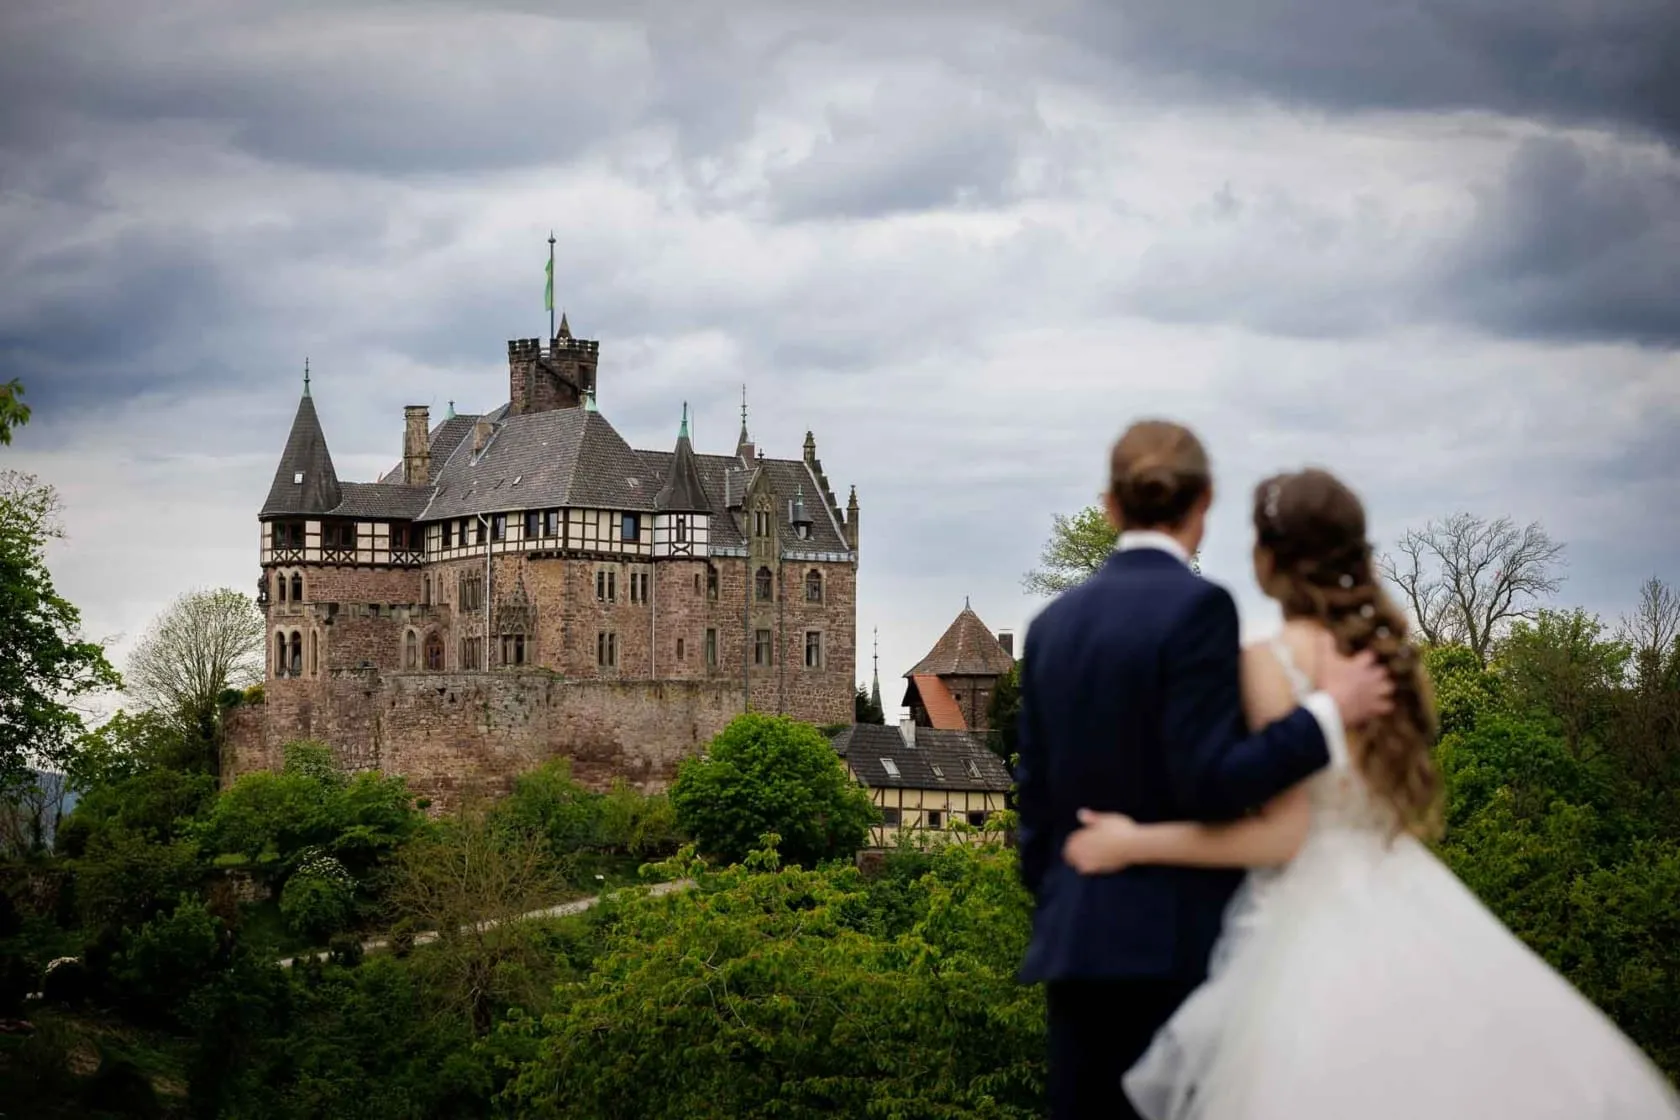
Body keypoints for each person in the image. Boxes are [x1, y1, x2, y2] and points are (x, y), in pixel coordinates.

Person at [1064, 467, 1680, 1120]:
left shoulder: (1268, 664)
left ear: (1270, 558)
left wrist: (1135, 841)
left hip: (1305, 930)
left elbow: (1283, 834)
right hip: (1412, 903)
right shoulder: (1387, 656)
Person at [1014, 421, 1396, 1120]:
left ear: (1110, 505)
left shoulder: (1051, 625)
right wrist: (1326, 717)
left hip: (1074, 947)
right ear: (1205, 503)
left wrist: (1067, 896)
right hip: (1174, 948)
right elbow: (1211, 784)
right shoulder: (1199, 608)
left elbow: (1033, 815)